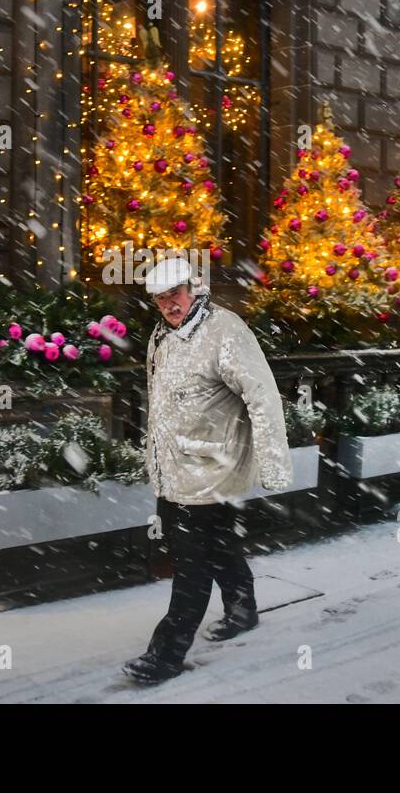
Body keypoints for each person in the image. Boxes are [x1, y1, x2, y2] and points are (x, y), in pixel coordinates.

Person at [122, 256, 293, 685]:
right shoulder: (161, 334)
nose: (168, 304)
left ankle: (166, 654)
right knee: (215, 546)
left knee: (190, 566)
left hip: (214, 469)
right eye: (160, 298)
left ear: (194, 288)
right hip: (174, 469)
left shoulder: (225, 331)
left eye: (174, 294)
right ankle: (242, 607)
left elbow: (263, 397)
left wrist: (273, 464)